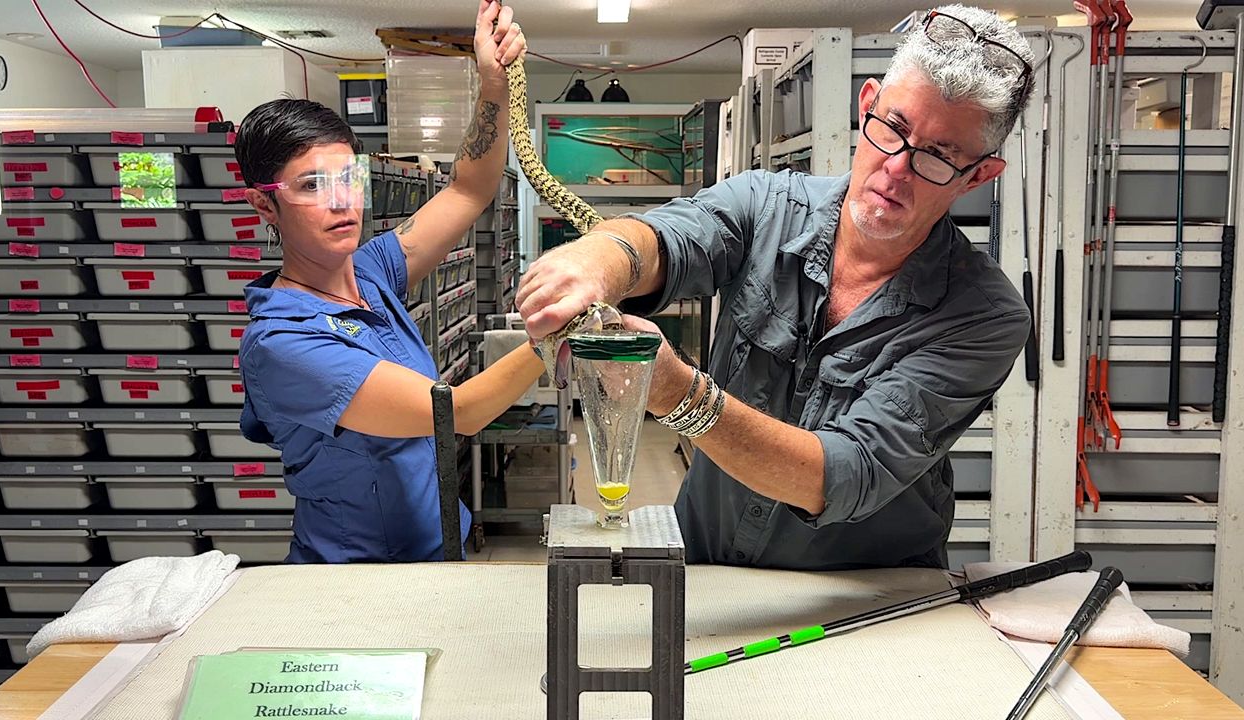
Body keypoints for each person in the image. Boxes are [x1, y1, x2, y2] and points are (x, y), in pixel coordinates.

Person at [516, 5, 1033, 571]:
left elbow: (848, 470)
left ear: (979, 175)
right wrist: (597, 259)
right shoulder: (768, 203)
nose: (896, 170)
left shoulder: (984, 317)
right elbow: (672, 238)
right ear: (866, 107)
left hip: (863, 595)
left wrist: (677, 394)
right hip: (708, 566)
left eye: (938, 156)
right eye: (894, 130)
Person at [235, 0, 544, 563]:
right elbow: (461, 412)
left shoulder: (373, 272)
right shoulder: (282, 345)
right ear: (264, 205)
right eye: (310, 186)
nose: (340, 200)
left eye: (348, 177)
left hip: (436, 554)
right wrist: (558, 332)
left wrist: (493, 88)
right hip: (358, 579)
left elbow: (468, 190)